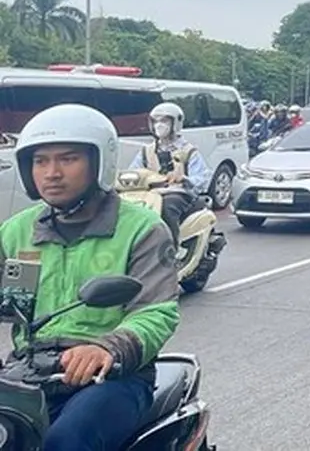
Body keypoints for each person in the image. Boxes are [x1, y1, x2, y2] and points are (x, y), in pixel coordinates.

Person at [1, 104, 180, 450]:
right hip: (27, 370)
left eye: (67, 159)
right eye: (40, 161)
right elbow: (10, 303)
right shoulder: (16, 232)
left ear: (100, 162)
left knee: (64, 442)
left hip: (112, 377)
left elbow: (156, 310)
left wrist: (105, 348)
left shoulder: (141, 229)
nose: (51, 172)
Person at [128, 102, 213, 244]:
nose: (159, 125)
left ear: (176, 123)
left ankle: (170, 248)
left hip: (179, 193)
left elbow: (203, 178)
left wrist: (184, 179)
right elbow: (134, 171)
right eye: (155, 121)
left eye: (164, 121)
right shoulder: (146, 151)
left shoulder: (188, 151)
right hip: (150, 193)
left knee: (167, 207)